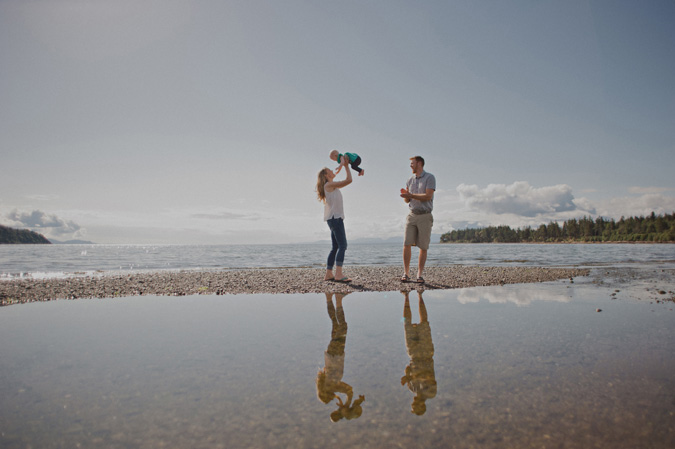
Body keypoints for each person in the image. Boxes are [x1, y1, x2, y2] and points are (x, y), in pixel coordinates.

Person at [400, 156, 436, 283]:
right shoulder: (410, 180)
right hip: (412, 214)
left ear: (419, 163)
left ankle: (419, 275)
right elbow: (407, 200)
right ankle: (406, 273)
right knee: (406, 243)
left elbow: (428, 196)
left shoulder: (429, 178)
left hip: (425, 215)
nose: (410, 165)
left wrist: (410, 195)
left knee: (423, 246)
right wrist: (406, 196)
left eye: (412, 163)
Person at [400, 290, 437, 415]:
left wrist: (407, 376)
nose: (413, 402)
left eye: (413, 404)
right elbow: (428, 377)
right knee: (424, 323)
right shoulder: (431, 393)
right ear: (422, 405)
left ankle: (406, 297)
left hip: (414, 356)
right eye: (415, 404)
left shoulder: (412, 388)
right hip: (426, 354)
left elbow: (408, 369)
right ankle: (419, 296)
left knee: (407, 325)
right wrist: (412, 377)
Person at [317, 157, 353, 282]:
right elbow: (349, 180)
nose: (333, 171)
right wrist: (347, 166)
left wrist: (342, 164)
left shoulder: (329, 184)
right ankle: (338, 274)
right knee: (343, 245)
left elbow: (336, 173)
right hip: (336, 218)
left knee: (335, 247)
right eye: (330, 170)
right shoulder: (330, 185)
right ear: (326, 175)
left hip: (332, 219)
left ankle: (328, 274)